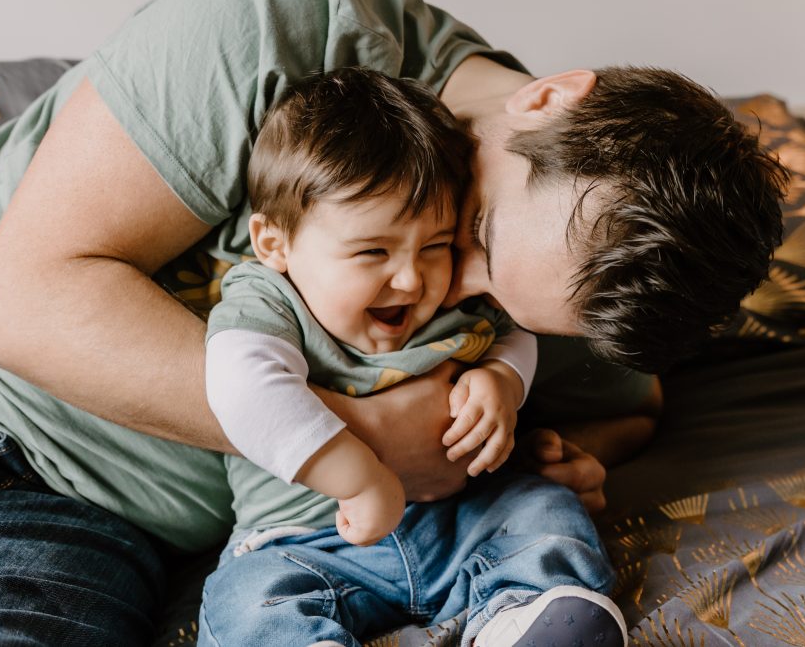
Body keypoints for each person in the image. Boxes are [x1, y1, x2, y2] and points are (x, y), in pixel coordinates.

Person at [0, 0, 784, 642]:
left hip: (76, 515)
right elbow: (14, 305)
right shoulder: (289, 12)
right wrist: (365, 444)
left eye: (504, 306)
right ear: (549, 96)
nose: (440, 291)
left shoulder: (568, 287)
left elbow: (633, 411)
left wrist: (552, 455)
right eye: (475, 232)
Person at [201, 65, 628, 646]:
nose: (410, 279)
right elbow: (242, 387)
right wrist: (360, 479)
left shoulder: (452, 292)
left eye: (434, 245)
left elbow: (509, 333)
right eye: (372, 250)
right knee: (247, 597)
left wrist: (503, 378)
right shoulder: (268, 298)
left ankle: (522, 613)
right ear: (276, 244)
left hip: (463, 520)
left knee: (543, 510)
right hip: (307, 540)